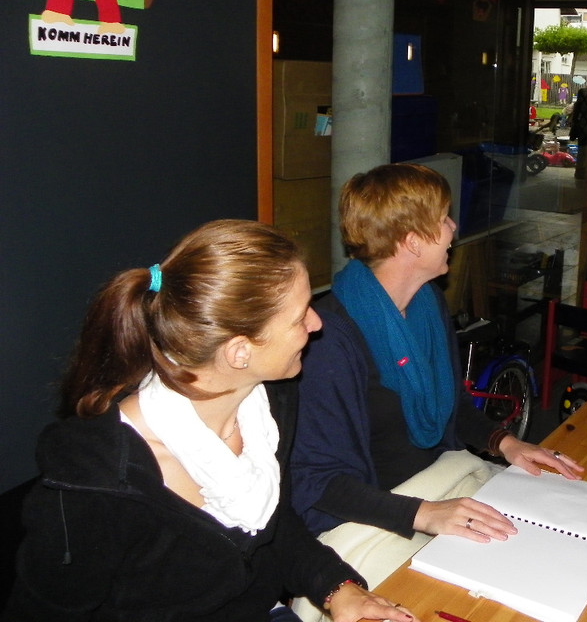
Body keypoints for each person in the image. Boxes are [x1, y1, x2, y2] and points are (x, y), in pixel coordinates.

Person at [2, 220, 416, 622]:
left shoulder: (269, 405)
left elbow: (271, 522)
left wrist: (337, 588)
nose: (316, 322)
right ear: (239, 353)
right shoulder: (99, 482)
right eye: (299, 316)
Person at [291, 164, 582, 543]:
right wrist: (425, 514)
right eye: (444, 218)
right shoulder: (326, 340)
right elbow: (316, 481)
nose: (453, 227)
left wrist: (505, 443)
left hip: (440, 484)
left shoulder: (427, 305)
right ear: (413, 242)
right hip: (373, 518)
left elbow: (451, 405)